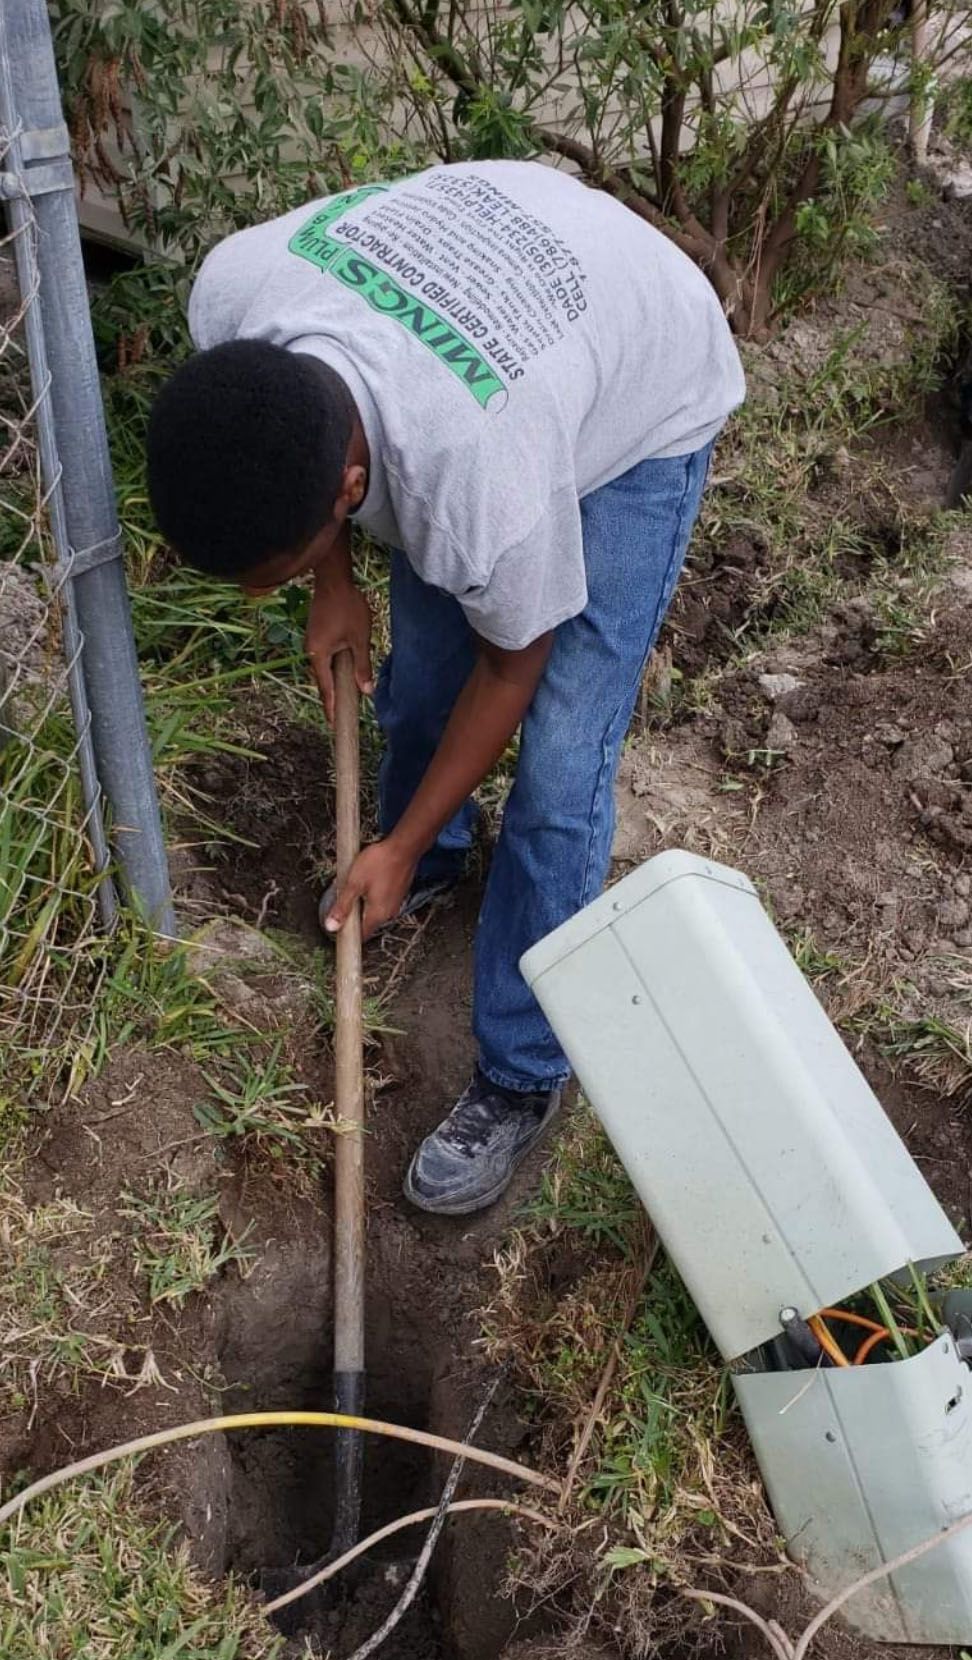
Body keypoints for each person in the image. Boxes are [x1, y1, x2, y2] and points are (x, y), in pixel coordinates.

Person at [147, 159, 744, 1216]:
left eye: (281, 571)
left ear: (345, 488)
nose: (276, 592)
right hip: (504, 307)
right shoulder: (237, 299)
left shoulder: (484, 487)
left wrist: (400, 835)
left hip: (644, 380)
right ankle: (422, 861)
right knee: (419, 677)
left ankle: (521, 1072)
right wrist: (330, 586)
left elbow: (515, 667)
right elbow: (315, 460)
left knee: (561, 768)